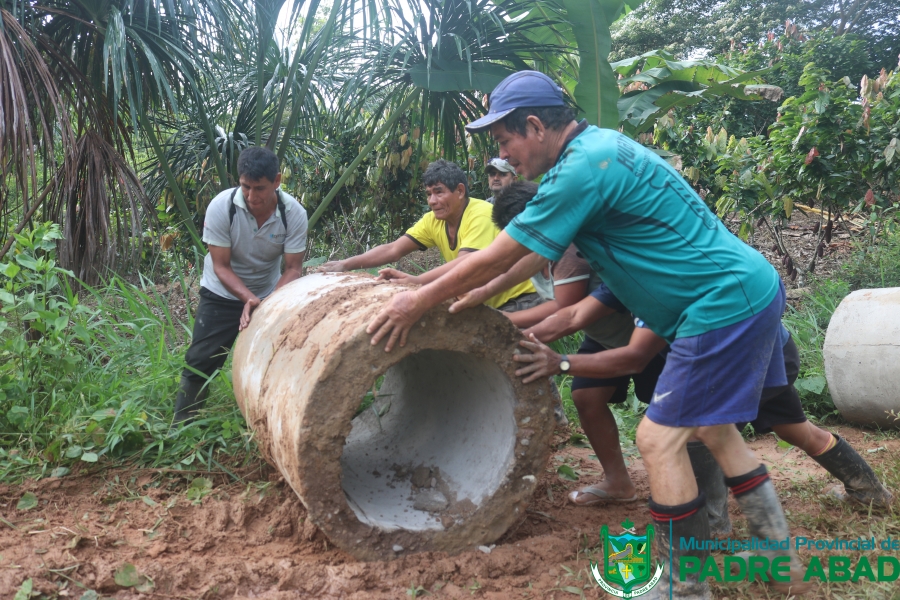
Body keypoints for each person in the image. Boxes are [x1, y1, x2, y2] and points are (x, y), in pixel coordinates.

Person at [365, 70, 809, 597]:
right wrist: (476, 298)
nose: (506, 157)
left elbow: (503, 252)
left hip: (719, 302)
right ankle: (783, 565)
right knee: (715, 432)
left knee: (657, 440)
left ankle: (684, 586)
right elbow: (530, 251)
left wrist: (418, 299)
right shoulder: (599, 148)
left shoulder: (582, 168)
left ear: (534, 125)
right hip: (732, 292)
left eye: (506, 141)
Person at [516, 287, 893, 527]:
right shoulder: (625, 275)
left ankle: (711, 525)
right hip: (755, 350)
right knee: (793, 428)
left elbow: (632, 357)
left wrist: (561, 362)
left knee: (697, 430)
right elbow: (572, 315)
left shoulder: (660, 278)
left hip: (746, 352)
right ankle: (867, 490)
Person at [174, 147, 307, 424]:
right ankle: (184, 424)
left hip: (270, 292)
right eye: (245, 186)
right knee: (201, 359)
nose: (251, 196)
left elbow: (293, 268)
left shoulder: (293, 213)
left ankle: (269, 419)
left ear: (277, 181)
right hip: (221, 292)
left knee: (274, 358)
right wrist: (248, 298)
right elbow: (221, 265)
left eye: (259, 188)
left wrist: (268, 302)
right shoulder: (222, 207)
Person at [320, 159, 538, 311]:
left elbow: (465, 264)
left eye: (439, 192)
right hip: (486, 300)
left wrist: (417, 280)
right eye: (428, 194)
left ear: (460, 191)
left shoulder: (480, 213)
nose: (432, 201)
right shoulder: (433, 220)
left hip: (518, 299)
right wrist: (346, 264)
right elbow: (394, 249)